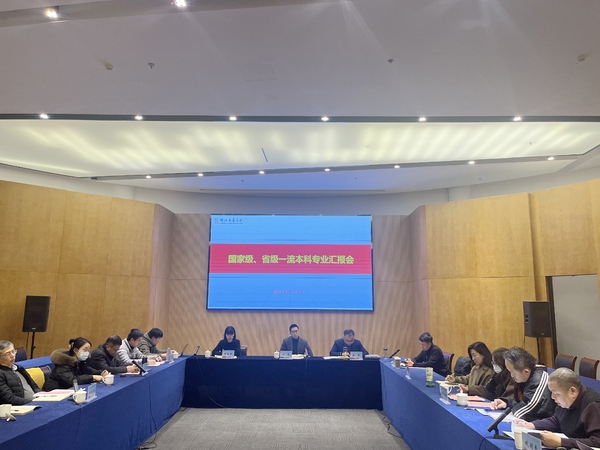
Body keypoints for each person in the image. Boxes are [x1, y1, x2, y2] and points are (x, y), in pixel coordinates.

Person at [518, 368, 600, 449]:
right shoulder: (567, 399)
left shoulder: (593, 406)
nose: (552, 397)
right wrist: (532, 425)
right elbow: (557, 420)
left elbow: (597, 442)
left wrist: (561, 442)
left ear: (572, 391)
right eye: (551, 392)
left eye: (556, 394)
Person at [490, 347, 555, 421]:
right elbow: (520, 400)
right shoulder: (523, 376)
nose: (511, 375)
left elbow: (528, 410)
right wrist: (506, 403)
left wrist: (511, 410)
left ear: (526, 371)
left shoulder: (539, 379)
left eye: (513, 373)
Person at [43, 337, 108, 390]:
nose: (87, 353)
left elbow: (89, 370)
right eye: (85, 350)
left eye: (88, 350)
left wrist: (101, 372)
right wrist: (92, 377)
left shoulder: (79, 361)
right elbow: (72, 381)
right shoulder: (63, 363)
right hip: (54, 392)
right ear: (76, 350)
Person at [0, 340, 41, 405]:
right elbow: (9, 399)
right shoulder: (1, 373)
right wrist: (33, 403)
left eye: (13, 351)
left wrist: (42, 397)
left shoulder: (19, 368)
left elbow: (34, 386)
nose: (12, 355)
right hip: (20, 407)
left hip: (35, 402)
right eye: (7, 353)